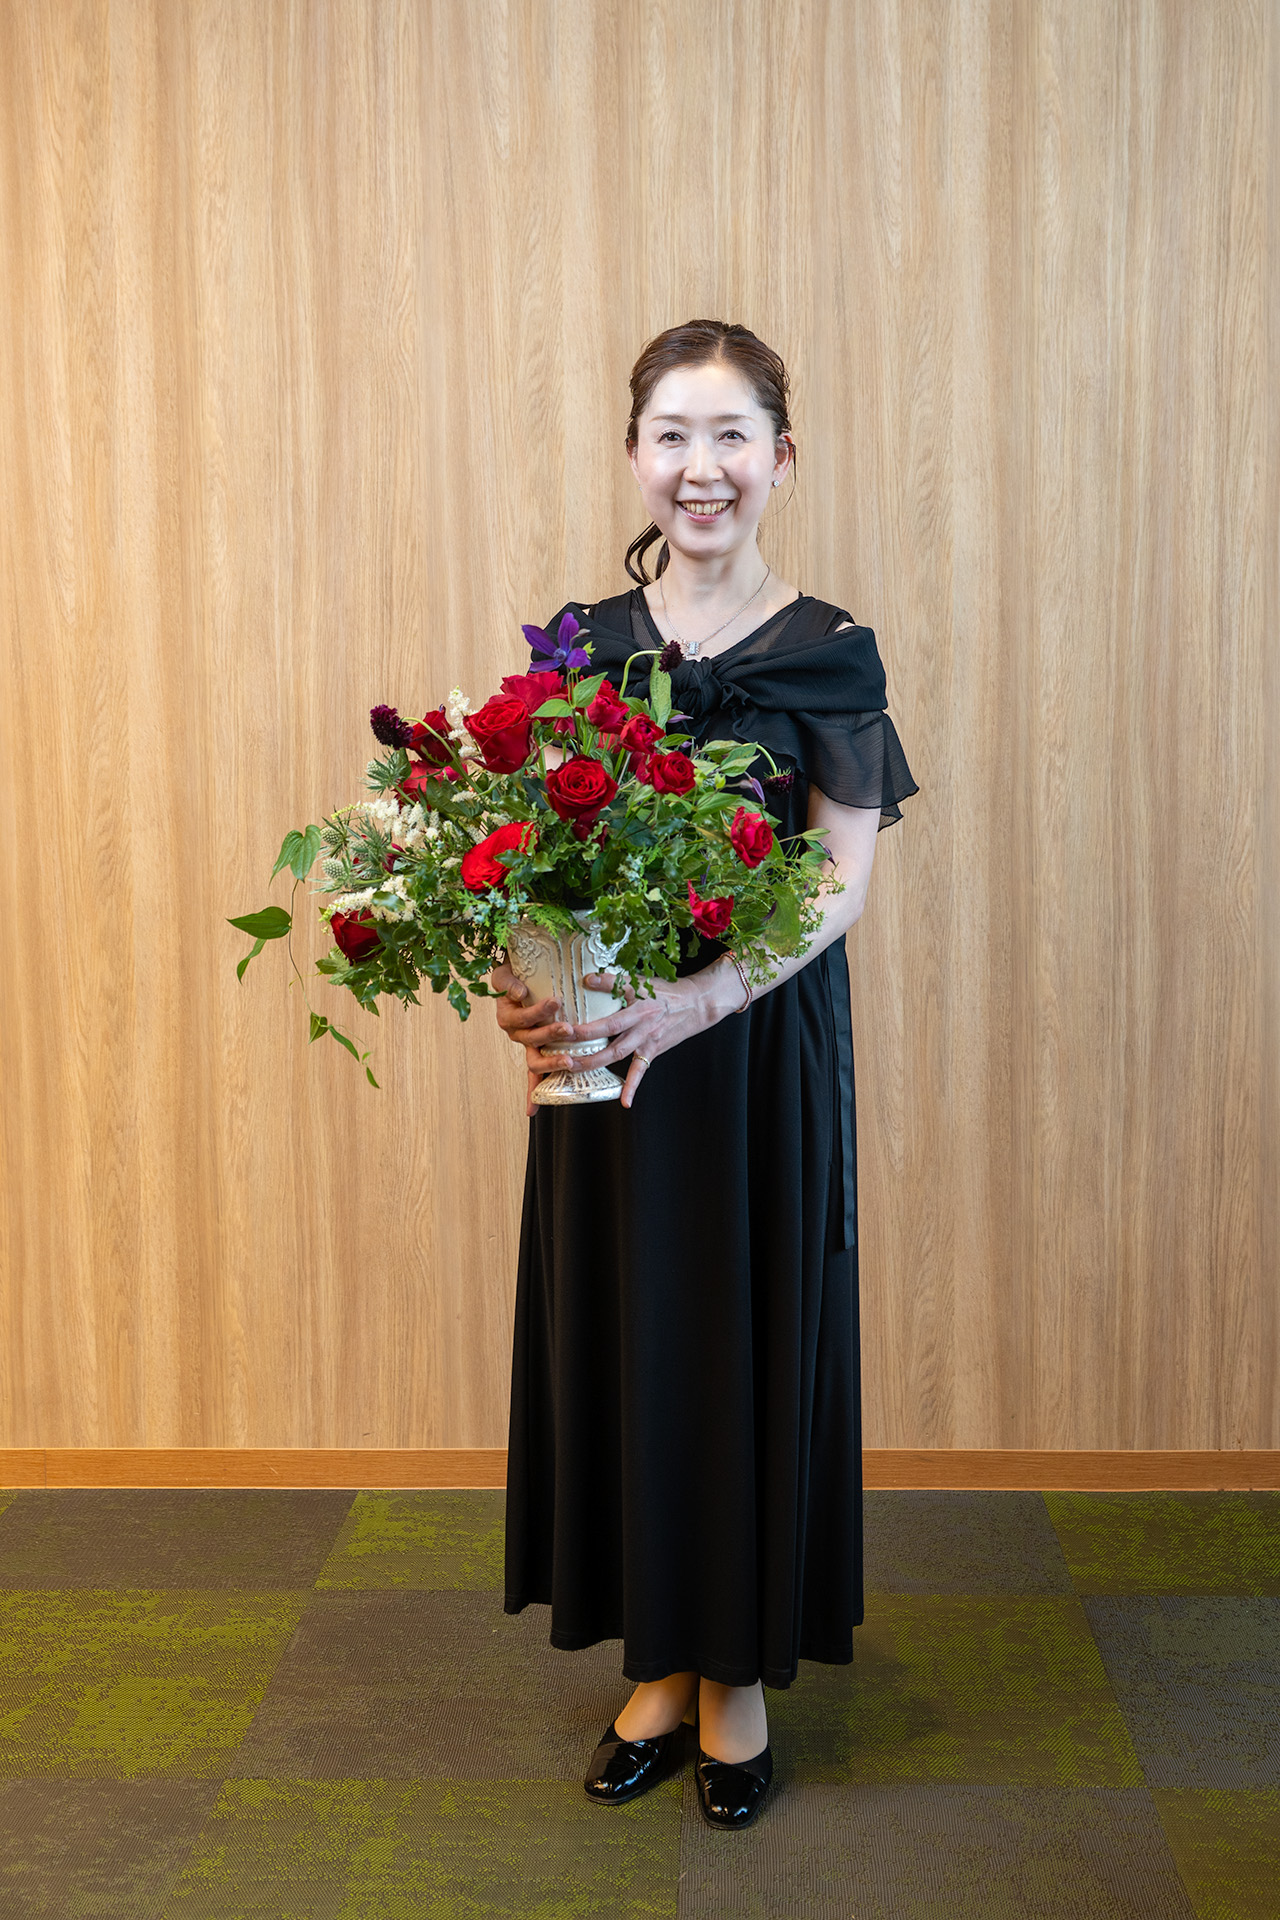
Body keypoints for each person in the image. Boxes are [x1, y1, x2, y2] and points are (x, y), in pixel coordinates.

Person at [488, 319, 918, 1829]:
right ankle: (658, 1663)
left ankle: (733, 1678)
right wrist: (526, 994)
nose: (702, 466)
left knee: (741, 1341)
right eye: (672, 433)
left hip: (753, 1051)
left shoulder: (829, 649)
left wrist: (700, 1002)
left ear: (781, 460)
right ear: (634, 456)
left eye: (732, 434)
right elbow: (525, 866)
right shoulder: (580, 646)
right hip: (607, 1063)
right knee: (628, 1336)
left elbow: (838, 878)